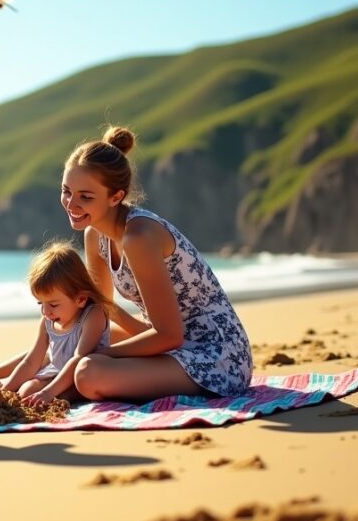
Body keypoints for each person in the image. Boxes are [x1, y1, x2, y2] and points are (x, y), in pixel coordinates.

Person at [63, 126, 253, 403]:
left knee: (88, 372)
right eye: (67, 191)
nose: (71, 204)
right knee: (75, 345)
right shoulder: (95, 235)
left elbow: (168, 336)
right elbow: (100, 316)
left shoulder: (139, 237)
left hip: (216, 355)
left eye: (85, 197)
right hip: (168, 344)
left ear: (116, 197)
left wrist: (97, 354)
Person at [1, 241, 112, 406]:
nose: (46, 311)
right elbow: (31, 362)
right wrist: (6, 389)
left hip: (81, 376)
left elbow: (78, 359)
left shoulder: (93, 315)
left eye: (53, 305)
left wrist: (47, 393)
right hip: (55, 373)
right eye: (40, 304)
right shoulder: (47, 321)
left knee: (35, 394)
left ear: (80, 299)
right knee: (26, 390)